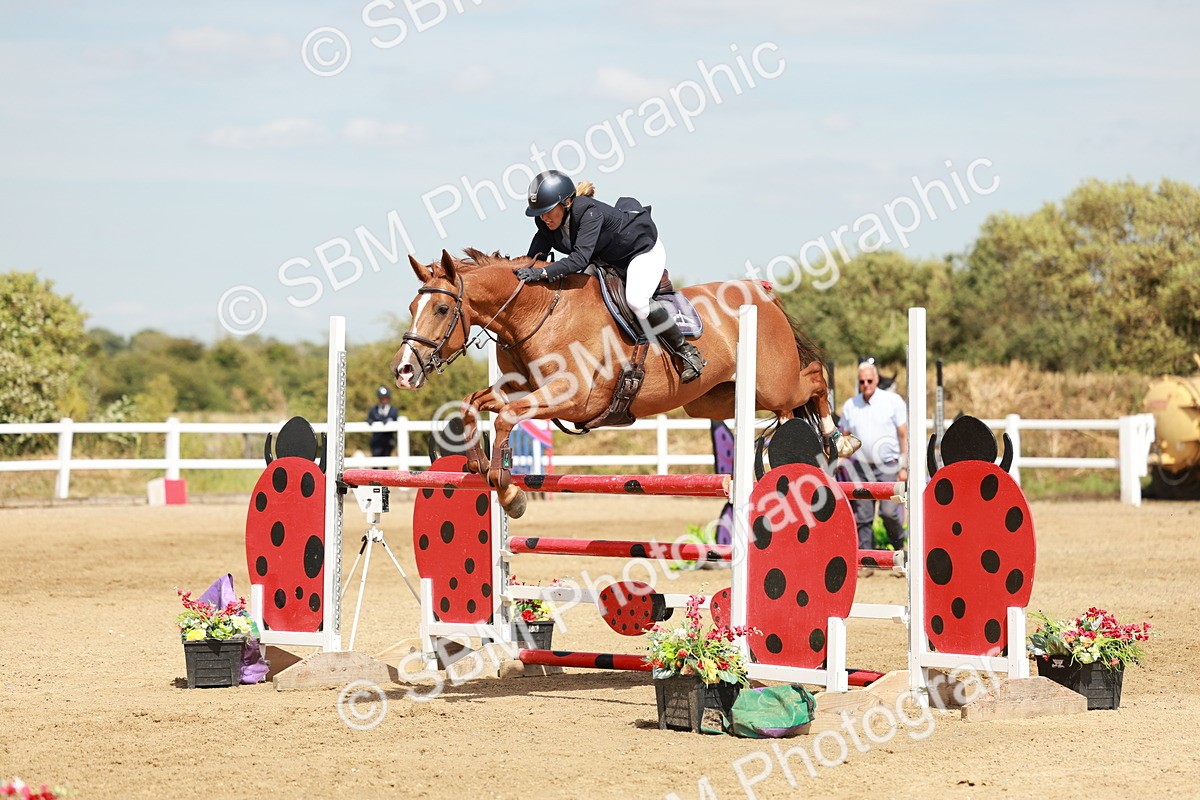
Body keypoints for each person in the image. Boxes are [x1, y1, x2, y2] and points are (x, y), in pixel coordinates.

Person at [513, 170, 705, 383]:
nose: (543, 217)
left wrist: (542, 273)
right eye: (540, 213)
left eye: (548, 211)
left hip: (640, 251)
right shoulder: (545, 222)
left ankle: (687, 351)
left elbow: (578, 259)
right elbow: (534, 258)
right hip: (606, 258)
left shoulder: (588, 212)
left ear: (567, 202)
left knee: (637, 301)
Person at [839, 360, 909, 564]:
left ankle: (900, 549)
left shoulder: (893, 401)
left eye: (869, 380)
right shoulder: (851, 405)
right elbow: (845, 437)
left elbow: (903, 435)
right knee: (863, 515)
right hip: (860, 467)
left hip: (888, 464)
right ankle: (866, 562)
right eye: (862, 381)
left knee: (889, 512)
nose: (866, 384)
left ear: (876, 379)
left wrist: (904, 466)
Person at [367, 386, 399, 458]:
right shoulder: (374, 410)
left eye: (386, 398)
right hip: (376, 441)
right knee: (375, 460)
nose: (384, 400)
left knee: (386, 462)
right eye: (382, 398)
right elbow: (369, 418)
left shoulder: (393, 411)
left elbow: (395, 421)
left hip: (388, 441)